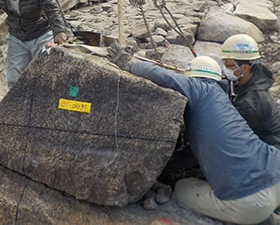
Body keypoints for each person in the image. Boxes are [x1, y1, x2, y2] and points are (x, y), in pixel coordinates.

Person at [107, 44, 280, 224]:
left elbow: (164, 77)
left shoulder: (202, 89)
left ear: (193, 78)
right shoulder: (226, 101)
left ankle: (265, 220)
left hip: (251, 202)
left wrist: (128, 63)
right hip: (276, 170)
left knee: (182, 188)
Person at [221, 34, 280, 149]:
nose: (225, 69)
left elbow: (231, 133)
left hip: (269, 153)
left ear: (244, 68)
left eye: (228, 65)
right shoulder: (252, 80)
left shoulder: (252, 102)